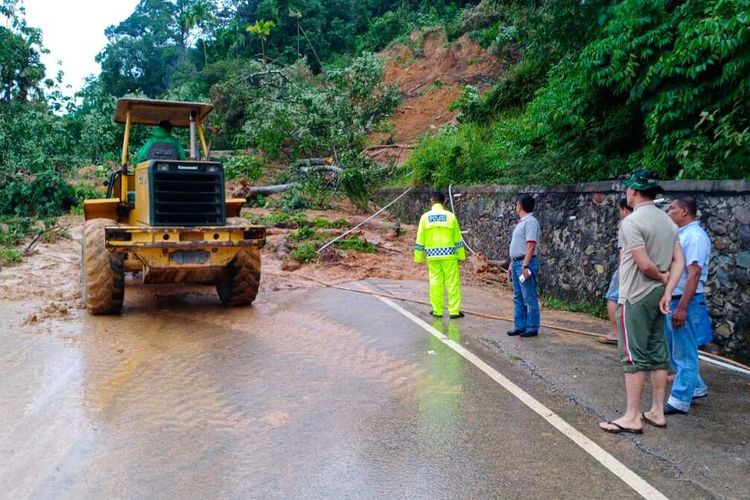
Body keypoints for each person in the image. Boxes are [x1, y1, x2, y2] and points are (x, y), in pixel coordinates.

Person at [599, 169, 685, 434]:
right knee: (658, 351)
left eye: (628, 189)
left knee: (633, 354)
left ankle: (632, 416)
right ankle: (657, 410)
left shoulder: (632, 222)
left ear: (633, 191)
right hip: (659, 296)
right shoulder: (668, 222)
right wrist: (668, 289)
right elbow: (679, 262)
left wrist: (659, 276)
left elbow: (644, 264)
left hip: (635, 295)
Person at [663, 194, 712, 415]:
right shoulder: (682, 234)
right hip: (676, 299)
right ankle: (697, 387)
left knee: (685, 353)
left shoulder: (695, 237)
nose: (668, 212)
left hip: (686, 301)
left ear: (684, 211)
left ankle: (680, 399)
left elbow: (694, 274)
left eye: (672, 208)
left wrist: (682, 308)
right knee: (677, 349)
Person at [414, 191, 466, 319]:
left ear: (432, 201)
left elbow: (420, 239)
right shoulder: (450, 217)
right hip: (449, 256)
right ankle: (454, 311)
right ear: (444, 202)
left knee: (435, 283)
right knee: (452, 283)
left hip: (432, 256)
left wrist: (418, 257)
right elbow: (458, 238)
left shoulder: (425, 218)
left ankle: (437, 310)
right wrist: (461, 255)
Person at [598, 198, 633, 344]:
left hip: (627, 266)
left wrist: (621, 271)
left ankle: (615, 333)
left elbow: (623, 251)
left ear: (625, 210)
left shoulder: (626, 223)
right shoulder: (648, 221)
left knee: (613, 296)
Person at [507, 194, 541, 338]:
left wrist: (525, 265)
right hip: (516, 263)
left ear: (520, 205)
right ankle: (520, 325)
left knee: (528, 295)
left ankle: (532, 326)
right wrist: (511, 264)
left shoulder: (531, 222)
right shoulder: (522, 222)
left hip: (524, 263)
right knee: (518, 295)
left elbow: (530, 244)